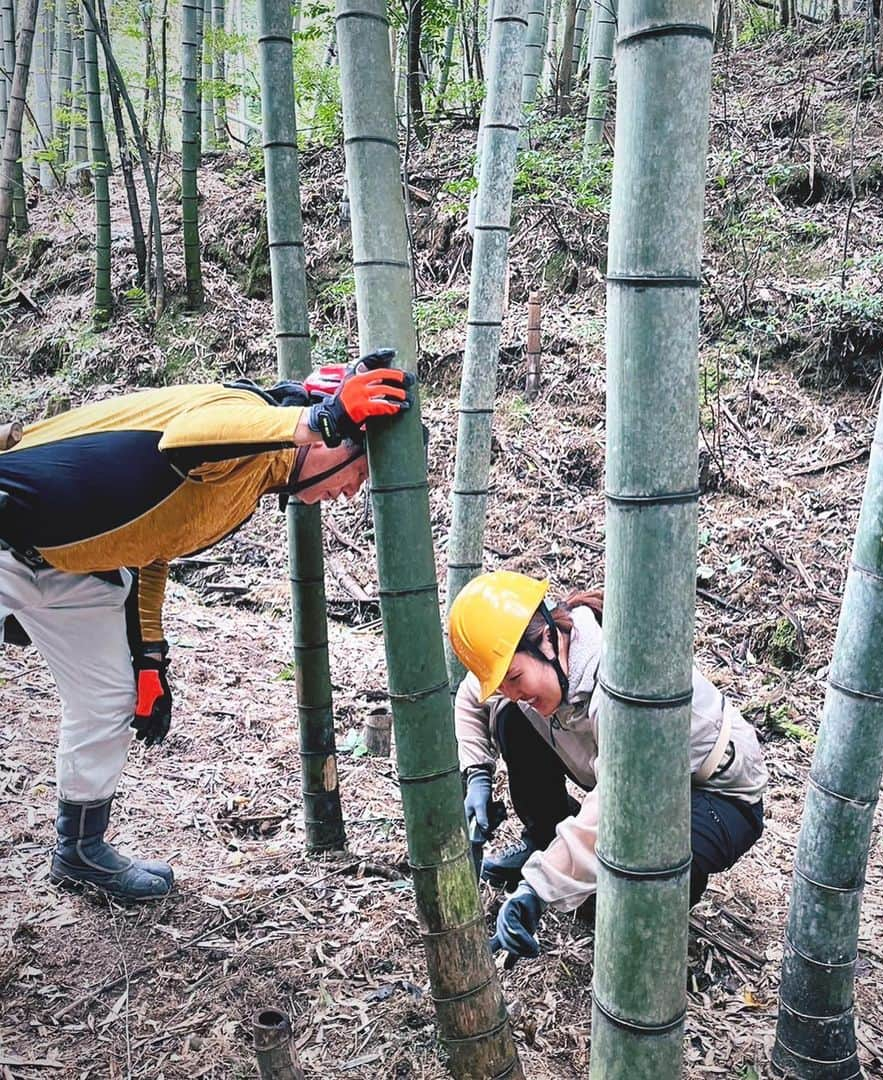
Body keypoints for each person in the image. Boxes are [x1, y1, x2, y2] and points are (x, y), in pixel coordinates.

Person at [0, 350, 412, 900]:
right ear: (328, 441)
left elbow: (153, 543)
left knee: (107, 698)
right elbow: (190, 435)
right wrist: (324, 419)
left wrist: (149, 657)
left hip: (75, 569)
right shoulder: (237, 414)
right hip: (8, 527)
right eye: (358, 470)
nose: (351, 489)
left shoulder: (251, 482)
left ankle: (78, 849)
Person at [448, 570, 768, 965]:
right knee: (512, 717)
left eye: (514, 677)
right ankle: (544, 838)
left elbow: (618, 806)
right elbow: (470, 695)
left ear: (548, 639)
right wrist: (477, 773)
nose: (512, 691)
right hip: (630, 784)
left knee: (617, 906)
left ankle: (659, 926)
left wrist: (538, 887)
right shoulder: (545, 660)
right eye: (502, 684)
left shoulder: (624, 682)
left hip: (714, 795)